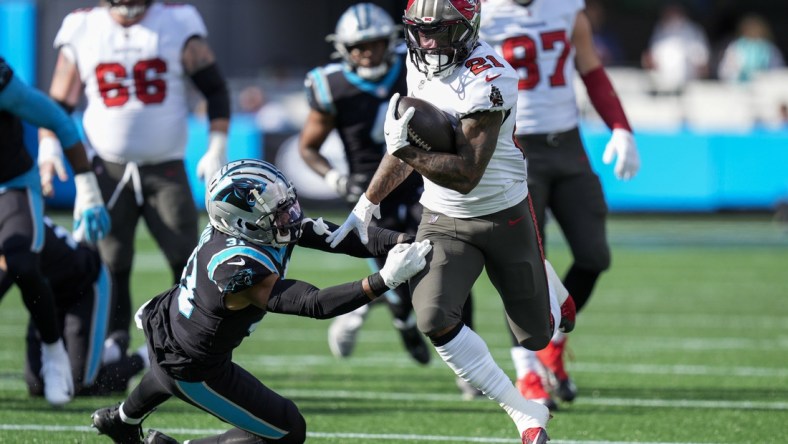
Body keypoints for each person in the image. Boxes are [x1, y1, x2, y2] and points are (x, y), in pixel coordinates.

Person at [325, 1, 558, 442]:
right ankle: (524, 414)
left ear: (467, 28)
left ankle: (553, 288)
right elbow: (406, 150)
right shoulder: (419, 68)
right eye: (421, 31)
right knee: (432, 315)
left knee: (536, 338)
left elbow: (467, 174)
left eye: (441, 31)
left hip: (503, 212)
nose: (429, 42)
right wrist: (366, 205)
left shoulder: (491, 76)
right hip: (444, 217)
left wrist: (407, 150)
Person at [90, 159, 431, 444]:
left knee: (165, 372)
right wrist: (386, 279)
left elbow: (340, 237)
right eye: (278, 213)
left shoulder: (252, 228)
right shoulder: (238, 269)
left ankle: (121, 420)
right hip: (193, 363)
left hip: (171, 321)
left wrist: (407, 240)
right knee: (288, 430)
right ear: (242, 223)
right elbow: (314, 303)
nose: (290, 217)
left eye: (286, 205)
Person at [39, 0, 231, 348]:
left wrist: (217, 145)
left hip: (166, 165)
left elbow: (214, 87)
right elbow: (58, 103)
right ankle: (113, 341)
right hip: (107, 166)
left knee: (186, 256)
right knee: (110, 260)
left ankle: (190, 340)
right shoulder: (83, 26)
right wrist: (48, 146)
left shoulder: (175, 20)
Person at [480, 0, 641, 410]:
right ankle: (527, 371)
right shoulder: (483, 12)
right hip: (515, 146)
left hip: (567, 144)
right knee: (527, 265)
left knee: (594, 255)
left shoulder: (567, 7)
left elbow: (590, 68)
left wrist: (620, 126)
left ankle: (554, 342)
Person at [298, 2, 436, 369]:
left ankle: (451, 350)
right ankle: (400, 319)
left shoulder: (415, 66)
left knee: (439, 258)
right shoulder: (332, 85)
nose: (367, 52)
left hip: (422, 176)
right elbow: (308, 148)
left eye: (374, 43)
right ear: (343, 48)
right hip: (372, 191)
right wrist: (334, 178)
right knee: (397, 272)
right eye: (358, 46)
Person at [0, 56, 110, 406]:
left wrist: (87, 186)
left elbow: (57, 119)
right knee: (34, 387)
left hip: (13, 186)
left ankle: (59, 350)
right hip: (48, 293)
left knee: (21, 262)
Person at [0, 217, 148, 398]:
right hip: (46, 295)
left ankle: (142, 357)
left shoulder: (15, 227)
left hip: (85, 285)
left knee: (79, 385)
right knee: (37, 385)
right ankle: (104, 352)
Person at [641, 2, 710, 94]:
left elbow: (702, 63)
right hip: (663, 88)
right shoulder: (660, 29)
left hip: (689, 89)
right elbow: (652, 60)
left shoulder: (693, 31)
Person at [717, 14, 784, 84]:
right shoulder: (735, 47)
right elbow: (725, 71)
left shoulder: (770, 49)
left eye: (756, 29)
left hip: (765, 87)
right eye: (750, 28)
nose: (753, 31)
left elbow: (778, 71)